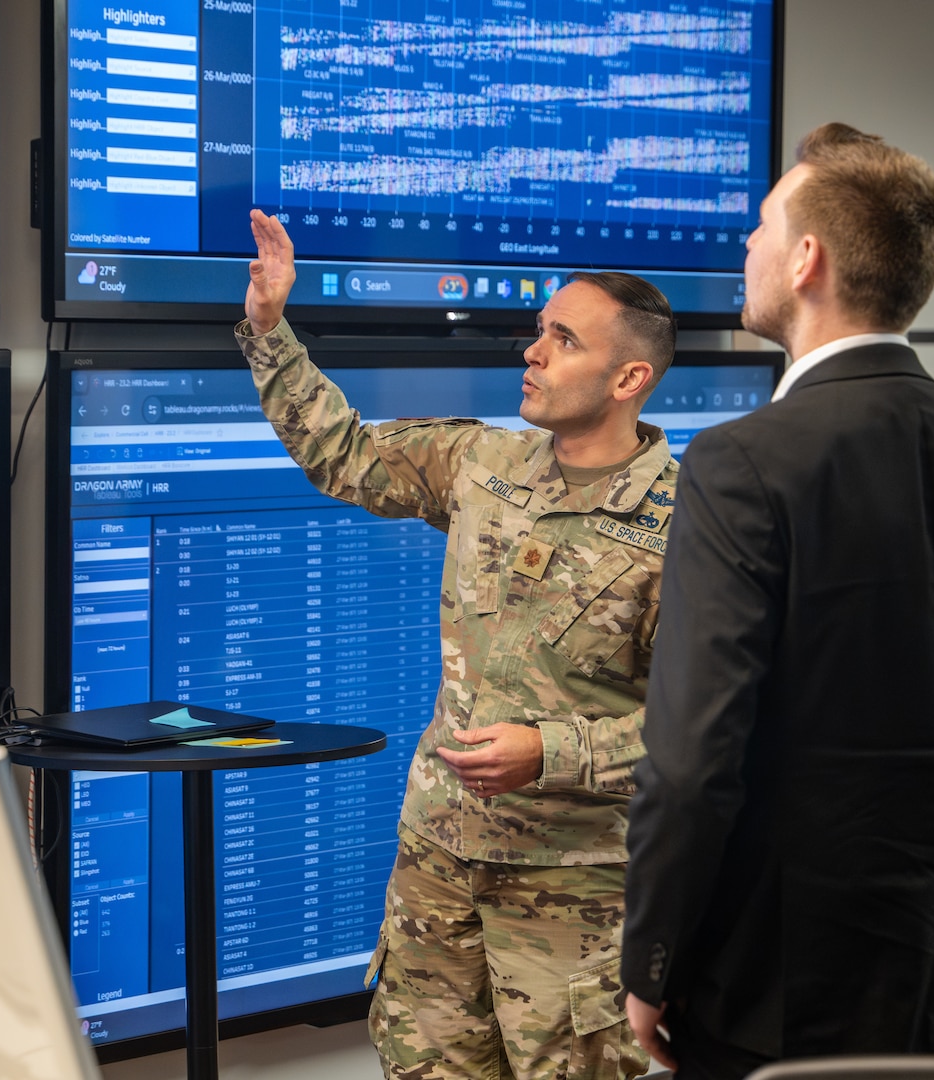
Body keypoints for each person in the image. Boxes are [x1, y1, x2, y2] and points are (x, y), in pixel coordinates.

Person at [620, 123, 934, 1079]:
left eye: (763, 226)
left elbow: (692, 759)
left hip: (774, 985)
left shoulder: (741, 463)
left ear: (808, 259)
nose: (746, 246)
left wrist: (654, 958)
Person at [239, 208, 675, 1080]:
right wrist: (268, 327)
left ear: (630, 376)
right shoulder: (485, 464)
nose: (533, 353)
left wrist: (550, 753)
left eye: (563, 340)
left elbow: (704, 731)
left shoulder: (687, 526)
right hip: (437, 871)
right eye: (538, 333)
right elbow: (345, 454)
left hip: (572, 899)